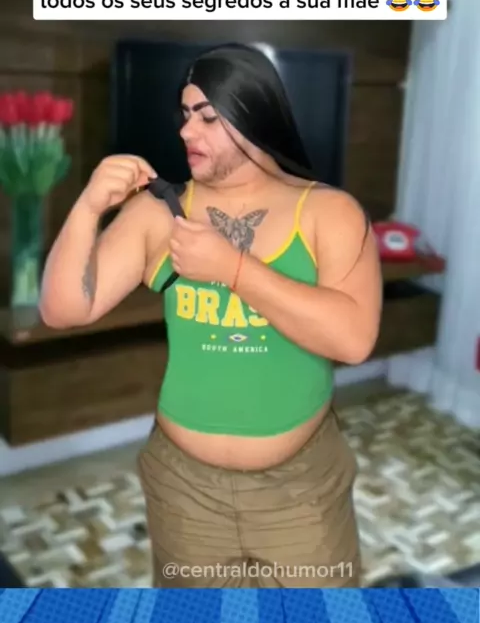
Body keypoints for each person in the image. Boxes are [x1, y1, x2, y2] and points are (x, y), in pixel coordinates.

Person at [40, 44, 382, 588]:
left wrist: (233, 269)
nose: (185, 131)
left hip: (302, 491)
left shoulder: (328, 212)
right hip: (184, 491)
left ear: (254, 114)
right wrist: (88, 206)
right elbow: (63, 310)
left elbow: (353, 338)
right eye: (184, 115)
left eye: (206, 116)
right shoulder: (160, 212)